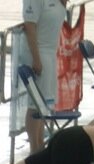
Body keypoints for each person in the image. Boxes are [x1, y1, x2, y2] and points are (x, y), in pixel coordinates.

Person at [19, 0, 68, 151]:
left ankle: (39, 144)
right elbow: (30, 26)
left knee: (45, 104)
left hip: (50, 52)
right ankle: (34, 149)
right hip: (38, 52)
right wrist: (36, 59)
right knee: (36, 104)